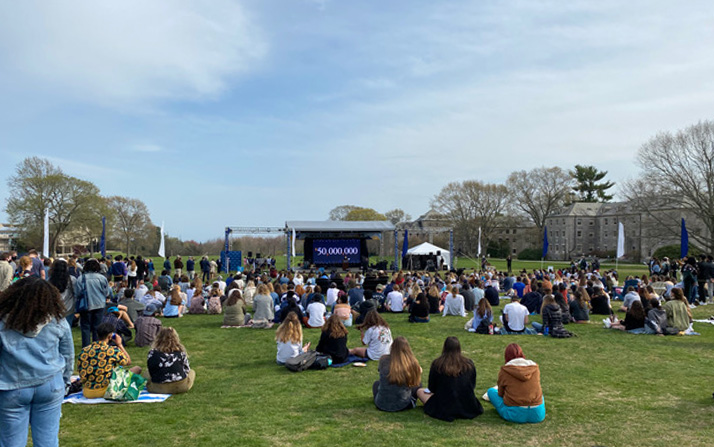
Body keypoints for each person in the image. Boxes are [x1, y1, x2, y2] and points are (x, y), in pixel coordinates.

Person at [0, 277, 74, 447]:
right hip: (50, 385)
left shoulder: (3, 323)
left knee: (11, 442)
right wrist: (65, 382)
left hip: (12, 387)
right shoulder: (59, 322)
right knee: (48, 442)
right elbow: (68, 355)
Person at [417, 336, 484, 422]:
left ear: (444, 348)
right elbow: (472, 385)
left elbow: (432, 388)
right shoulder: (468, 364)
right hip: (466, 404)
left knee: (420, 391)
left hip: (444, 405)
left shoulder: (437, 364)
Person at [78, 322, 141, 398]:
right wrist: (120, 345)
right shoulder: (112, 350)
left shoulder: (84, 350)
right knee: (137, 369)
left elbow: (81, 373)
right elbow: (128, 362)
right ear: (110, 336)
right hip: (108, 391)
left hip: (88, 392)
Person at [486, 343, 545, 424]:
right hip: (538, 415)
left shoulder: (505, 370)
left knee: (491, 392)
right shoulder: (535, 368)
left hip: (514, 414)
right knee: (540, 394)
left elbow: (500, 394)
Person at [373, 336, 422, 412]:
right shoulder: (412, 363)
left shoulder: (383, 359)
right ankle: (411, 400)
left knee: (376, 384)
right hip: (403, 405)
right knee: (418, 384)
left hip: (381, 404)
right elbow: (417, 376)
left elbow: (380, 371)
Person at [146, 327, 195, 394]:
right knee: (192, 372)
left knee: (146, 372)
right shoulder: (180, 353)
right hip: (180, 387)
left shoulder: (152, 353)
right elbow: (187, 370)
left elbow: (151, 370)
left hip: (157, 388)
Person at [75, 259, 111, 348]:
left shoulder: (81, 278)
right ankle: (97, 345)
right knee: (97, 327)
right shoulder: (102, 278)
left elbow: (78, 293)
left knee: (85, 327)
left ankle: (86, 346)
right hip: (99, 304)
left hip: (86, 304)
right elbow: (106, 292)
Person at [48, 259, 77, 325]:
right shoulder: (72, 279)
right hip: (69, 307)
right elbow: (76, 293)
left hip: (55, 308)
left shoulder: (50, 281)